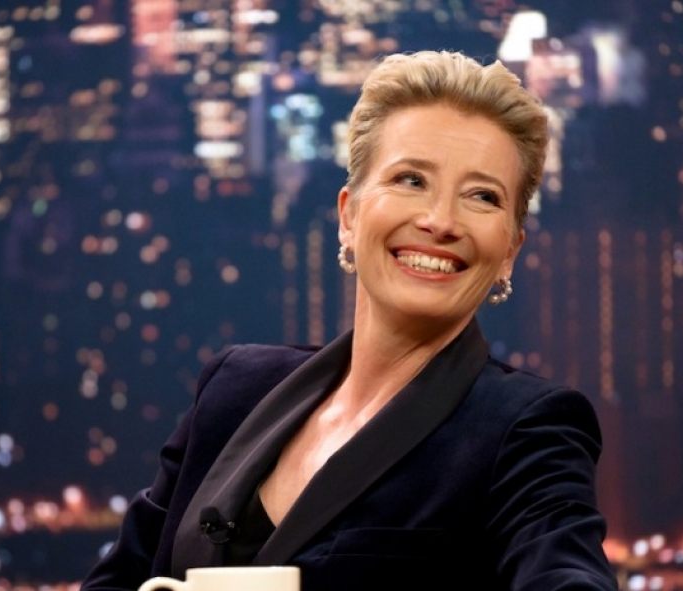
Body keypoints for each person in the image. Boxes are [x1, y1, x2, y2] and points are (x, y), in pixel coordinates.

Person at [82, 51, 617, 590]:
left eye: (482, 196)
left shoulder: (528, 430)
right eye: (411, 179)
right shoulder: (234, 389)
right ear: (349, 216)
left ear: (510, 251)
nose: (440, 221)